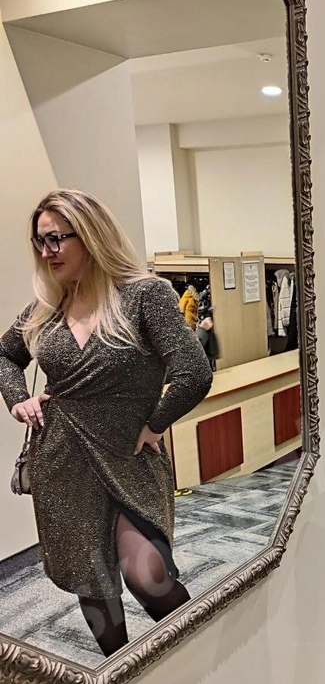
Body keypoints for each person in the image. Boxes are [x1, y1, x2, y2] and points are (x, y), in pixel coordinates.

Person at [0, 190, 213, 657]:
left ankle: (196, 663)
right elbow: (4, 356)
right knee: (91, 580)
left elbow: (194, 373)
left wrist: (156, 424)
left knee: (147, 576)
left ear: (91, 235)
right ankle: (118, 671)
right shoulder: (46, 308)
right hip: (61, 460)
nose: (47, 252)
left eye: (57, 238)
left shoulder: (144, 296)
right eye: (40, 242)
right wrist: (18, 401)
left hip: (130, 456)